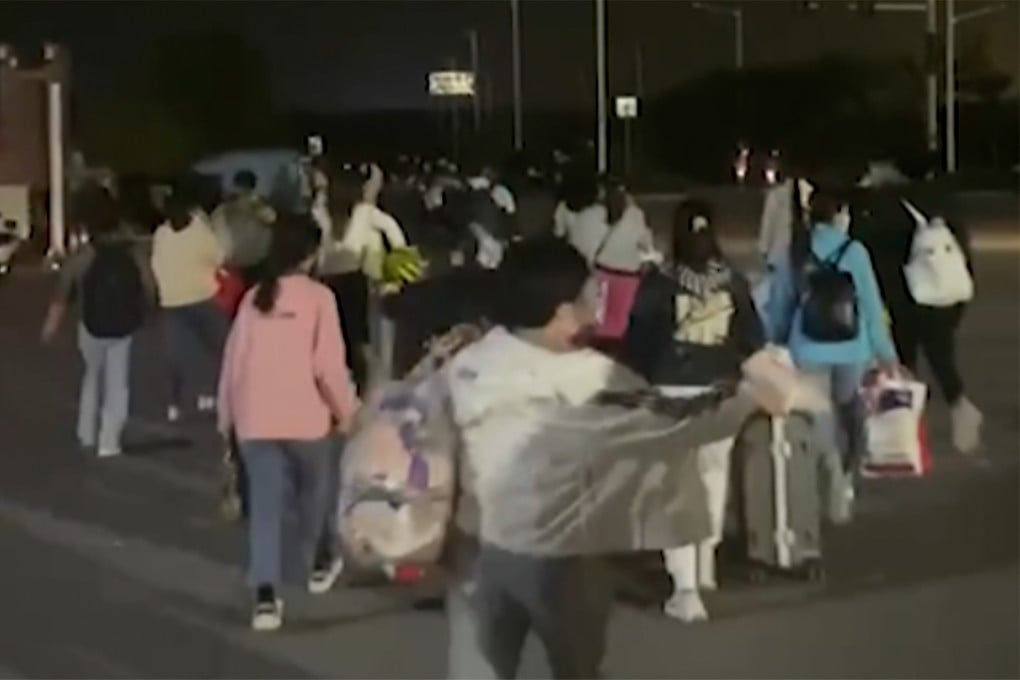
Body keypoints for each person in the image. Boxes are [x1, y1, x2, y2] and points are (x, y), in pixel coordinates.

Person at [444, 237, 781, 679]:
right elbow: (674, 422)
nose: (597, 302)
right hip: (561, 554)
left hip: (475, 552)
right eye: (590, 294)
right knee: (578, 669)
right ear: (563, 312)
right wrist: (753, 396)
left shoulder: (467, 361)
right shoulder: (591, 377)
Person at [623, 199, 763, 621]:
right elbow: (753, 338)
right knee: (713, 476)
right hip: (721, 391)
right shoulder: (733, 281)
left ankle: (685, 589)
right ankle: (705, 564)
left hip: (671, 392)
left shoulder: (660, 282)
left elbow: (638, 342)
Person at [217, 215, 359, 632]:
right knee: (315, 496)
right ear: (312, 254)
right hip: (306, 420)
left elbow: (233, 363)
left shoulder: (255, 298)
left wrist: (226, 419)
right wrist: (349, 413)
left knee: (265, 508)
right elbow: (327, 367)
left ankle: (265, 597)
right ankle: (318, 560)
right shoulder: (319, 298)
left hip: (254, 420)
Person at [765, 186, 899, 505]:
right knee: (852, 411)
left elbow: (780, 303)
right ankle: (848, 475)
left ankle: (831, 478)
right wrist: (887, 354)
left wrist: (775, 342)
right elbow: (871, 306)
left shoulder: (794, 250)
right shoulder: (855, 252)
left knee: (819, 420)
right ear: (840, 215)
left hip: (807, 348)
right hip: (852, 350)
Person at [851, 162, 982, 454]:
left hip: (905, 299)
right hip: (944, 294)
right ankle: (959, 409)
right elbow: (961, 246)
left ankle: (907, 429)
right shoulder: (938, 200)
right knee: (941, 357)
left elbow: (871, 255)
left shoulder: (881, 207)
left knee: (903, 362)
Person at [41, 190, 156, 457]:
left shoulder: (84, 255)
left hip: (91, 324)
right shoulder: (133, 251)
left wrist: (51, 326)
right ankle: (109, 440)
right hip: (124, 324)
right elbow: (149, 285)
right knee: (117, 382)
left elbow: (63, 291)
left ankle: (86, 431)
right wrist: (148, 310)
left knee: (91, 375)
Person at [318, 165, 409, 389]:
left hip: (325, 282)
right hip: (353, 281)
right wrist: (402, 271)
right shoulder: (364, 212)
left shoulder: (321, 211)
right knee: (360, 339)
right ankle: (363, 388)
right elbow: (394, 232)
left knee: (333, 340)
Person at [151, 188, 229, 422]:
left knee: (175, 354)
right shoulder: (199, 231)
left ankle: (174, 403)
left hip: (172, 300)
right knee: (220, 347)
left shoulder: (162, 234)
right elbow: (218, 256)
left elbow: (156, 264)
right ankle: (211, 394)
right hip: (202, 296)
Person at [210, 169, 276, 287]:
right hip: (251, 262)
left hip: (236, 263)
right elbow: (271, 218)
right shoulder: (258, 206)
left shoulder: (223, 209)